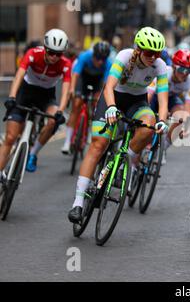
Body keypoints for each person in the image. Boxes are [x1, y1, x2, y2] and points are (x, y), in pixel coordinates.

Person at [67, 27, 170, 223]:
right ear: (138, 50)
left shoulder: (160, 66)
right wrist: (111, 107)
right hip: (113, 99)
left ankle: (125, 160)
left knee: (149, 125)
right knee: (98, 145)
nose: (153, 57)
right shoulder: (124, 56)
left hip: (137, 102)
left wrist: (162, 121)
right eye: (149, 52)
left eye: (157, 53)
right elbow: (109, 86)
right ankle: (78, 202)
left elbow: (163, 100)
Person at [0, 29, 71, 176]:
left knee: (53, 122)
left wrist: (60, 111)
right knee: (10, 138)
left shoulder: (65, 64)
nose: (54, 57)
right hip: (25, 92)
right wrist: (12, 97)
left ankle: (33, 153)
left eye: (58, 54)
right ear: (45, 48)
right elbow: (19, 75)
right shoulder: (33, 53)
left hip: (46, 96)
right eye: (51, 52)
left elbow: (66, 89)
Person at [61, 41, 112, 154]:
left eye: (103, 59)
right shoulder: (84, 56)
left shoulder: (108, 63)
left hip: (97, 82)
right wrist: (72, 89)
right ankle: (67, 141)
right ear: (93, 55)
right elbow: (75, 75)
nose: (100, 61)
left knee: (96, 104)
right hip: (83, 80)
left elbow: (105, 84)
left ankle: (89, 130)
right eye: (98, 58)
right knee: (76, 105)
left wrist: (99, 98)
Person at [147, 49, 190, 158]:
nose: (184, 74)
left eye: (188, 71)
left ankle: (164, 146)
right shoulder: (164, 72)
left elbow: (188, 109)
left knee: (181, 116)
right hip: (155, 97)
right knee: (147, 118)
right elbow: (148, 96)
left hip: (171, 99)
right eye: (181, 69)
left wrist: (185, 126)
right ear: (174, 66)